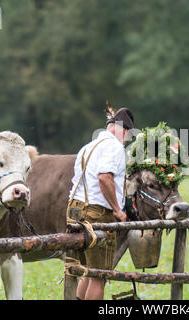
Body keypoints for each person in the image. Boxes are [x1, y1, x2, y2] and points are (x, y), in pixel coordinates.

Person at [68, 107, 134, 300]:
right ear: (122, 129)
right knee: (99, 276)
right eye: (128, 135)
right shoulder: (114, 147)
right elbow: (105, 178)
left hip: (76, 210)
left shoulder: (88, 147)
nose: (126, 139)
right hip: (98, 212)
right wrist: (117, 210)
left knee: (88, 271)